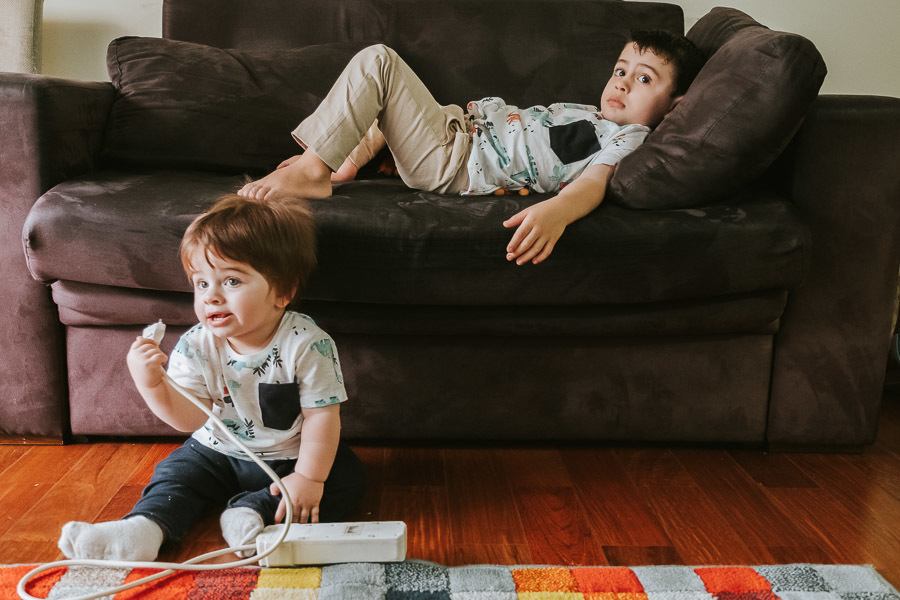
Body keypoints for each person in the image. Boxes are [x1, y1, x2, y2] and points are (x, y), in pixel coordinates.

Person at [57, 193, 364, 561]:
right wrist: (151, 384)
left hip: (288, 456)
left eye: (231, 281)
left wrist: (308, 478)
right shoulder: (196, 344)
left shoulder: (307, 344)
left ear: (282, 291)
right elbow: (191, 417)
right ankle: (145, 527)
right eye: (202, 283)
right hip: (215, 452)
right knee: (176, 474)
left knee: (342, 477)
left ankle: (252, 514)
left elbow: (322, 417)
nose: (211, 297)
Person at [238, 31, 705, 265]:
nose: (622, 83)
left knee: (378, 62)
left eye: (644, 79)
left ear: (675, 106)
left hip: (456, 160)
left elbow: (594, 184)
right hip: (459, 129)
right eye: (621, 69)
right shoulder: (590, 112)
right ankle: (346, 161)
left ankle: (315, 167)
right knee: (400, 105)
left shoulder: (628, 139)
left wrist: (558, 211)